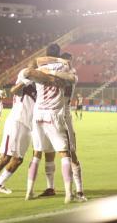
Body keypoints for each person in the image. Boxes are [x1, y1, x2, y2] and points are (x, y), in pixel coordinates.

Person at [24, 43, 77, 204]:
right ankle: (68, 194)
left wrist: (44, 75)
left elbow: (26, 72)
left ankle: (29, 192)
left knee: (36, 154)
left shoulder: (39, 69)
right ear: (59, 54)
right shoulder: (64, 68)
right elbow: (72, 79)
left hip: (38, 114)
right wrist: (54, 76)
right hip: (54, 114)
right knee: (64, 154)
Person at [0, 69, 37, 201]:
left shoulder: (38, 88)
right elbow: (13, 90)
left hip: (28, 127)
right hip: (16, 123)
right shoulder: (25, 84)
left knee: (18, 160)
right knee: (5, 157)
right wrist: (26, 81)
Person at [38, 52, 87, 202]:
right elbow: (38, 62)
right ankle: (50, 187)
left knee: (71, 153)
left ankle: (78, 191)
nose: (67, 63)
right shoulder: (59, 70)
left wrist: (50, 71)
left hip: (63, 115)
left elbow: (70, 78)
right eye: (65, 61)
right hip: (49, 115)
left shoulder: (70, 73)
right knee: (48, 152)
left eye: (68, 61)